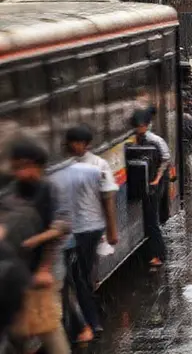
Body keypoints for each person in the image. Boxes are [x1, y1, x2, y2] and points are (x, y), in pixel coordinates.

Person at [3, 138, 71, 354]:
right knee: (17, 331)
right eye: (17, 167)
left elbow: (61, 227)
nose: (21, 172)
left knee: (49, 330)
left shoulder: (50, 190)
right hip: (16, 273)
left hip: (46, 275)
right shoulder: (11, 192)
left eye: (26, 166)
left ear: (38, 165)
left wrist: (43, 267)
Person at [54, 126, 119, 337]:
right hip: (69, 230)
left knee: (81, 277)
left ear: (86, 144)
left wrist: (111, 229)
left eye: (76, 142)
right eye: (70, 142)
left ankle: (89, 322)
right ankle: (85, 321)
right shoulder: (63, 168)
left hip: (90, 228)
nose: (73, 146)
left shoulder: (98, 165)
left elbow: (107, 198)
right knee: (73, 277)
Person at [130, 110, 170, 267]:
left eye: (140, 126)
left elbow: (166, 159)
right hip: (146, 183)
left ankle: (158, 254)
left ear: (145, 126)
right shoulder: (137, 139)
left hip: (155, 185)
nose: (137, 128)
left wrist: (157, 179)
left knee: (152, 221)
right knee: (148, 219)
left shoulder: (155, 140)